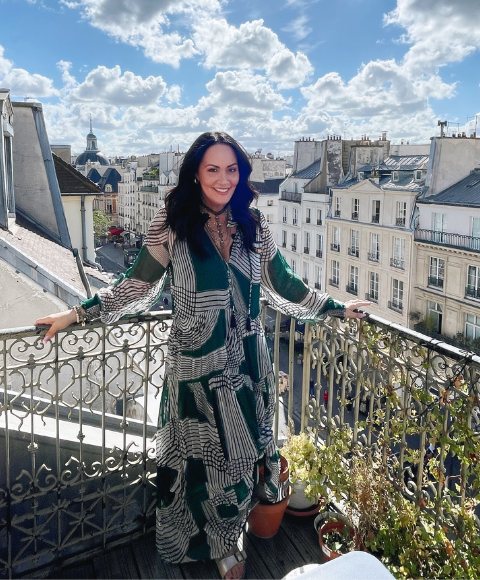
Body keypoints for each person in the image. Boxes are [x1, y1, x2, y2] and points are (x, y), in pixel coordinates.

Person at [35, 132, 369, 580]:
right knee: (203, 466)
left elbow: (285, 285)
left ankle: (229, 539)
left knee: (243, 460)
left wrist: (336, 308)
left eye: (232, 169)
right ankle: (208, 545)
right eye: (213, 168)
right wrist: (77, 314)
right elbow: (135, 286)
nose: (223, 178)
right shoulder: (171, 224)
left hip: (250, 367)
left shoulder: (254, 224)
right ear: (196, 172)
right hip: (195, 370)